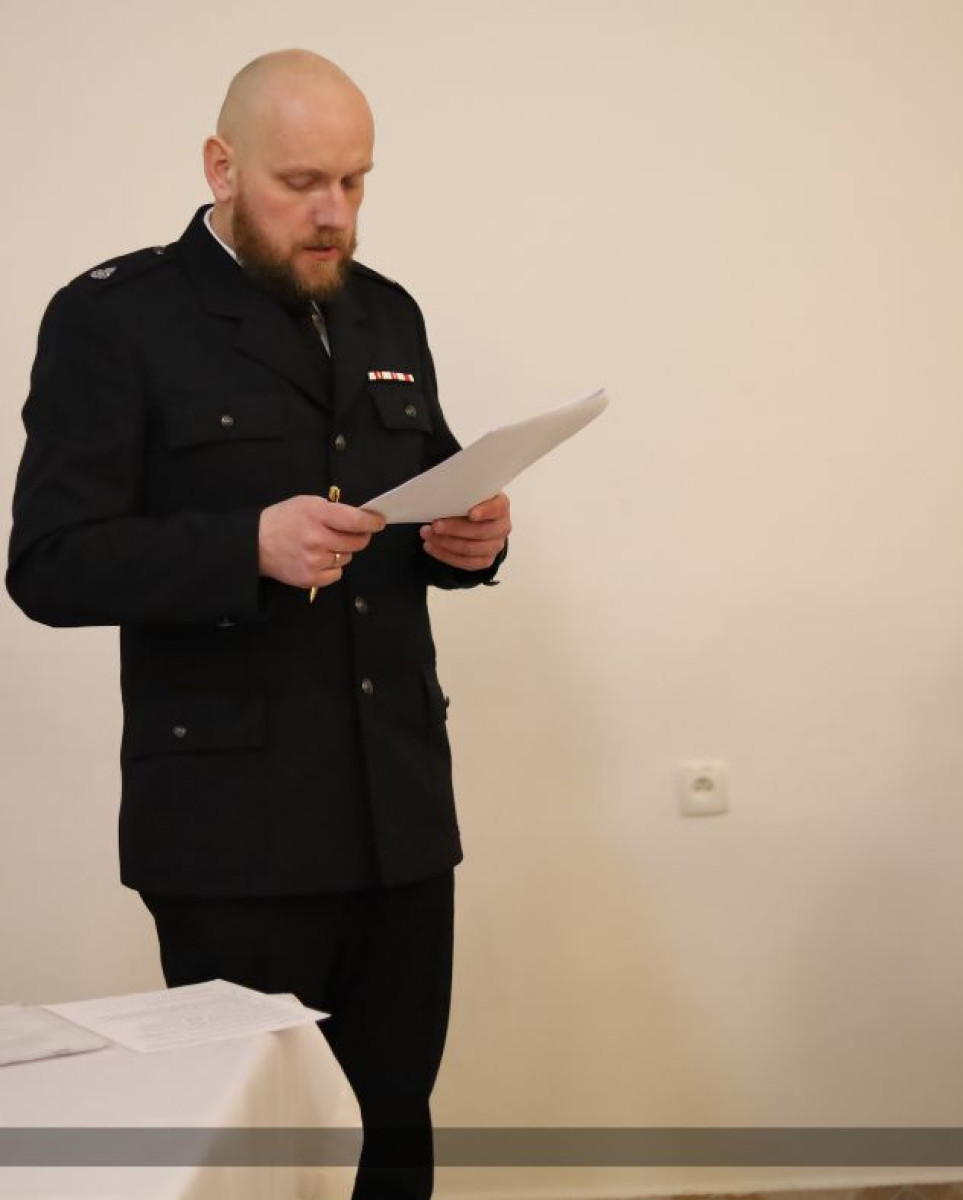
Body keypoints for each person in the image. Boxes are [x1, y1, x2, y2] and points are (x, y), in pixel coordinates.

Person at [7, 50, 512, 1200]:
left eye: (355, 181)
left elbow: (416, 499)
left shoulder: (386, 311)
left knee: (392, 1136)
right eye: (302, 183)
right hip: (232, 834)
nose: (334, 212)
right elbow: (49, 564)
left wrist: (471, 539)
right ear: (221, 167)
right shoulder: (115, 319)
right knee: (262, 1162)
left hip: (399, 816)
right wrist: (245, 545)